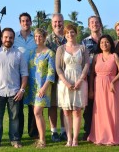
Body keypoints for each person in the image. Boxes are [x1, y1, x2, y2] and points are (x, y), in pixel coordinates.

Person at [0, 28, 28, 149]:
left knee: (15, 118)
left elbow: (24, 74)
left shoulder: (19, 54)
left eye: (10, 37)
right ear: (1, 38)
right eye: (6, 37)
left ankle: (15, 139)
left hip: (14, 92)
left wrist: (22, 90)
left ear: (13, 39)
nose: (8, 39)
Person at [56, 24, 89, 147]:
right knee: (66, 112)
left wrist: (80, 80)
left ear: (76, 33)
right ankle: (68, 139)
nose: (70, 35)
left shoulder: (83, 48)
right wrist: (66, 82)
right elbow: (58, 68)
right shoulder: (61, 49)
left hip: (79, 80)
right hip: (65, 81)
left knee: (76, 111)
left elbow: (86, 65)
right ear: (65, 34)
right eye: (67, 33)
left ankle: (75, 139)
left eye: (72, 32)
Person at [88, 35, 119, 146]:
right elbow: (92, 74)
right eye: (102, 42)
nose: (104, 44)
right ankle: (99, 136)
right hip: (98, 87)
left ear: (111, 44)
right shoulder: (96, 57)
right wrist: (91, 90)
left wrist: (113, 81)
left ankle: (112, 138)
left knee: (112, 111)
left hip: (112, 87)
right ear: (99, 44)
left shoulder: (115, 56)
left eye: (107, 42)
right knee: (100, 112)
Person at [24, 28, 56, 148]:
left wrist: (44, 88)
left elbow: (51, 73)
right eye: (36, 36)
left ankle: (42, 140)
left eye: (40, 36)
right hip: (32, 87)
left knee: (37, 112)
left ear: (44, 37)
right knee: (36, 113)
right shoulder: (32, 52)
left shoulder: (49, 53)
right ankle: (39, 138)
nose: (38, 38)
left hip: (43, 87)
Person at [14, 12, 38, 139]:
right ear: (20, 22)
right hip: (17, 76)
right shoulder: (15, 38)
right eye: (23, 21)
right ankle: (18, 133)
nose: (25, 23)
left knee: (32, 105)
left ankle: (33, 132)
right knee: (18, 106)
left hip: (34, 75)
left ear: (31, 22)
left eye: (27, 21)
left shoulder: (36, 37)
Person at [45, 13, 67, 142]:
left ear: (63, 22)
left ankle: (64, 131)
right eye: (55, 22)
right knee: (53, 105)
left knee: (64, 105)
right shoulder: (48, 40)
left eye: (59, 22)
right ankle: (54, 132)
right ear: (52, 23)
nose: (57, 24)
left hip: (66, 77)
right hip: (52, 78)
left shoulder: (69, 38)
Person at [81, 15, 102, 140]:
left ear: (100, 24)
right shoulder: (84, 42)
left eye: (96, 22)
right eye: (92, 22)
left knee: (102, 104)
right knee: (88, 106)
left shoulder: (105, 39)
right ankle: (88, 131)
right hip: (89, 76)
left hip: (103, 76)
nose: (94, 24)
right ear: (89, 25)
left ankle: (101, 130)